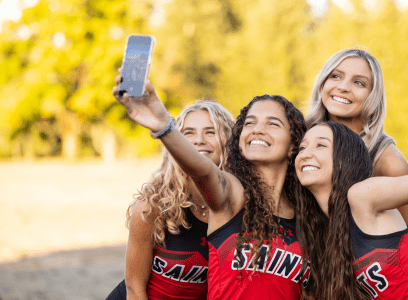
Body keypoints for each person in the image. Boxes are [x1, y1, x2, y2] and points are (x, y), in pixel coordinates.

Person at [113, 77, 308, 299]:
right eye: (250, 123)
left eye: (272, 123)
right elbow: (204, 172)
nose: (258, 130)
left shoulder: (303, 214)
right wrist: (163, 127)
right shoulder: (230, 196)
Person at [106, 99, 235, 300]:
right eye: (188, 133)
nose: (198, 140)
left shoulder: (239, 206)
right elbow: (134, 288)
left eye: (210, 132)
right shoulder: (153, 205)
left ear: (228, 141)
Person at [295, 121, 408, 299]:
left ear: (345, 157)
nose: (305, 154)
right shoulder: (323, 233)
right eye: (302, 148)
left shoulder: (362, 196)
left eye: (321, 145)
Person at [306, 48, 408, 223]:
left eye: (359, 83)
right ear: (323, 82)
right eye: (336, 76)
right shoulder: (302, 139)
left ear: (372, 96)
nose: (343, 87)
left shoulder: (387, 160)